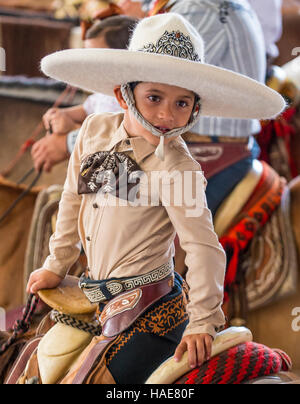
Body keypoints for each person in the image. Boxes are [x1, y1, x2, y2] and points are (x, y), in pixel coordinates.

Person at [26, 13, 284, 383]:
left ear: (196, 107)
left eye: (182, 103)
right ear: (122, 94)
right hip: (95, 293)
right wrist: (57, 263)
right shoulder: (95, 131)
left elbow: (202, 247)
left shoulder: (178, 168)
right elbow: (72, 200)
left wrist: (204, 320)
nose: (166, 114)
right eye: (154, 97)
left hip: (147, 307)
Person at [119, 0, 269, 216]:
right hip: (201, 140)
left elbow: (152, 98)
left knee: (138, 222)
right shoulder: (205, 7)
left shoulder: (196, 11)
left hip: (203, 147)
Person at [32, 15, 137, 173]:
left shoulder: (129, 102)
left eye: (96, 59)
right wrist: (63, 114)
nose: (89, 65)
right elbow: (88, 108)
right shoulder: (104, 92)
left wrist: (74, 128)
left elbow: (116, 141)